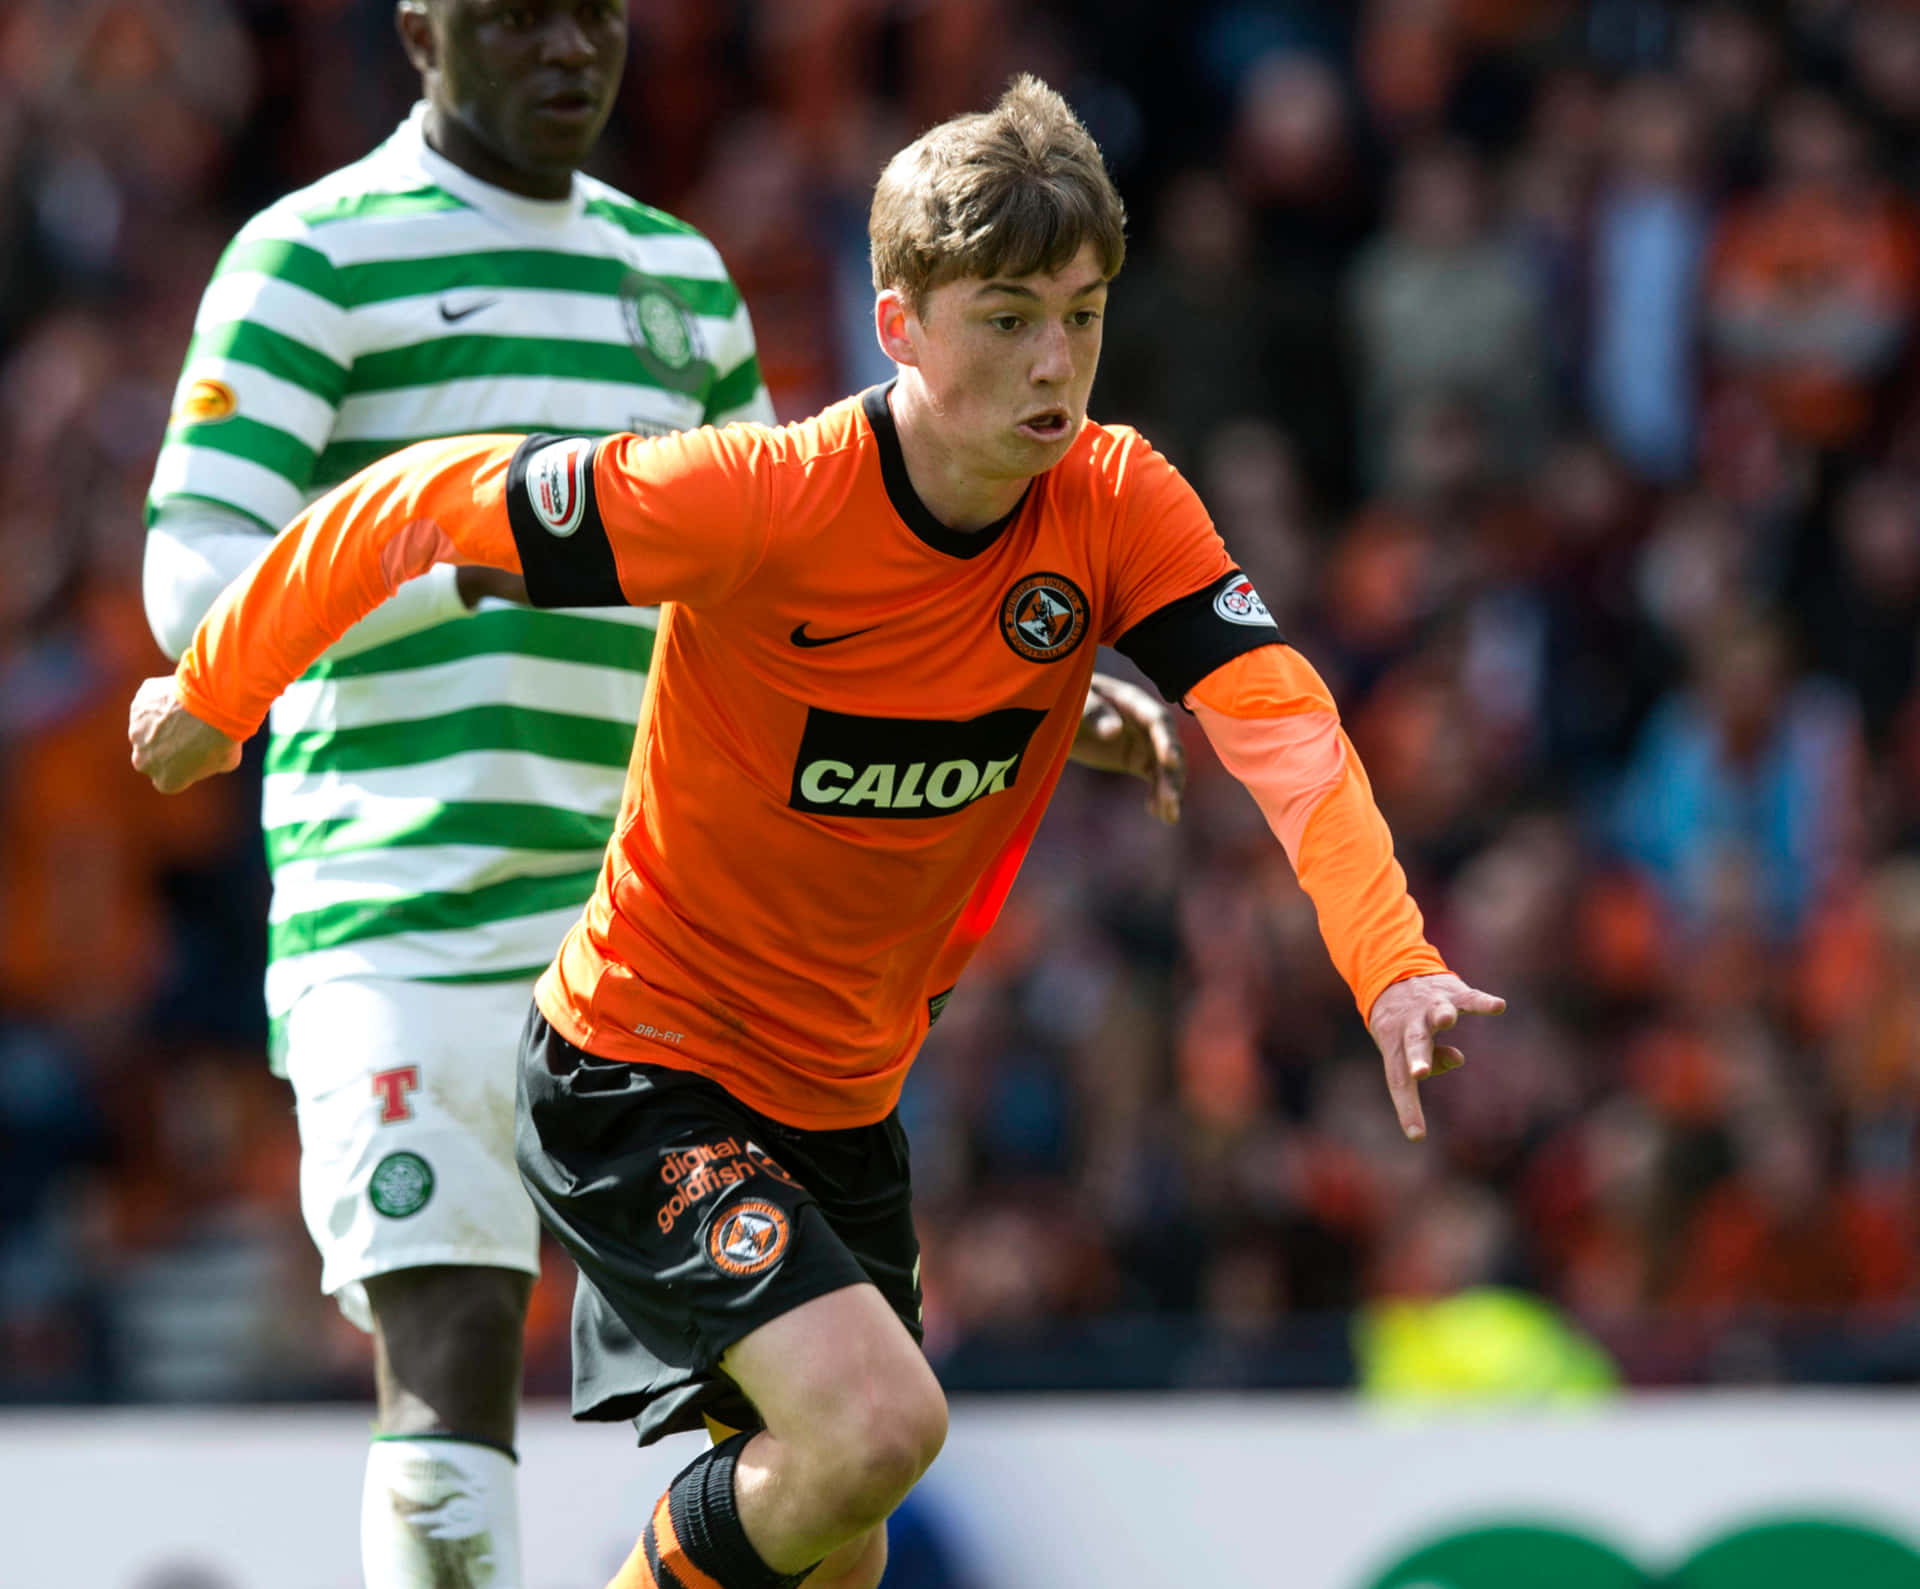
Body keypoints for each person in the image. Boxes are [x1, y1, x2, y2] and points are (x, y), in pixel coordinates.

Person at [132, 76, 1503, 1589]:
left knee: (834, 1550)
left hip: (841, 1109)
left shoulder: (1118, 503)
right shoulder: (760, 502)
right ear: (900, 325)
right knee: (876, 1427)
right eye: (1007, 317)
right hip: (640, 1070)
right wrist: (220, 682)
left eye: (1084, 314)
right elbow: (419, 504)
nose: (1057, 367)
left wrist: (1391, 962)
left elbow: (1285, 726)